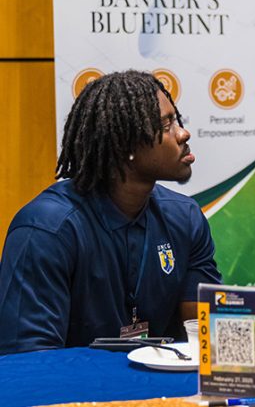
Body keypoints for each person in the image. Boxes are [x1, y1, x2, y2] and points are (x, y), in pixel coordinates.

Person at [0, 70, 221, 354]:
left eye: (176, 120)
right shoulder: (46, 229)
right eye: (167, 125)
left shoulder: (185, 217)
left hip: (160, 389)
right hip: (75, 391)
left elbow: (205, 336)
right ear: (125, 145)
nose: (183, 133)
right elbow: (29, 360)